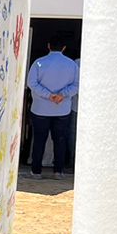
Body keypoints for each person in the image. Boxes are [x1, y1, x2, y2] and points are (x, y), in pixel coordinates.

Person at [25, 38, 78, 177]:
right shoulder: (72, 65)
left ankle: (36, 171)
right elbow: (76, 85)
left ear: (48, 46)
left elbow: (32, 83)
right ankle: (58, 171)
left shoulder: (39, 63)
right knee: (60, 140)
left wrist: (48, 95)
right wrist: (62, 95)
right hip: (62, 108)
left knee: (39, 140)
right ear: (64, 48)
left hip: (40, 108)